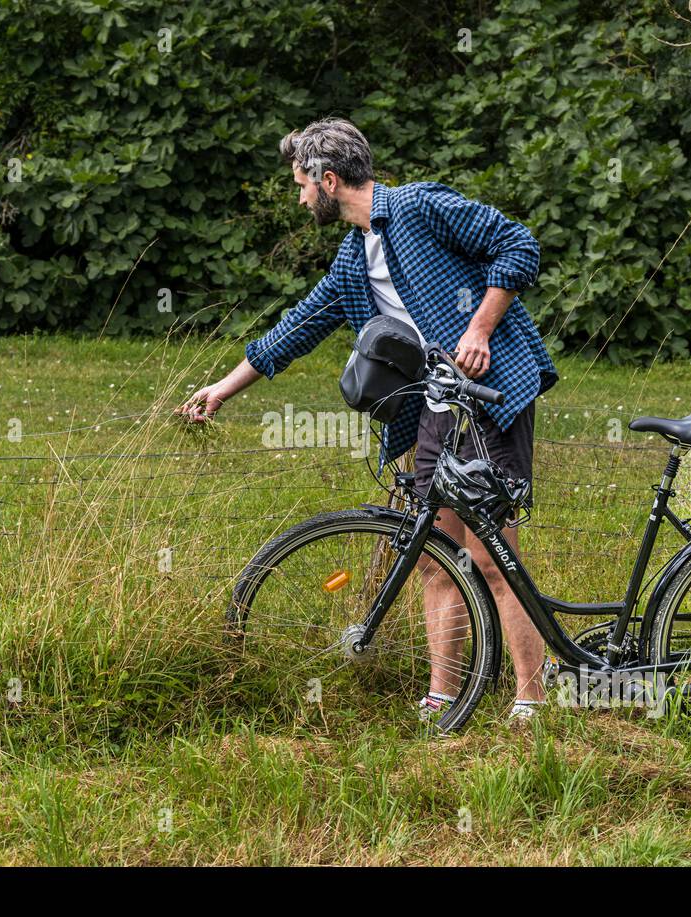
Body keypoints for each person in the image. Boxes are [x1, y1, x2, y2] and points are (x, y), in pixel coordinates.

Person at [176, 117, 558, 720]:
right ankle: (444, 694)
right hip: (435, 411)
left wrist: (479, 327)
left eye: (302, 184)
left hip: (487, 398)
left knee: (493, 556)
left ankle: (532, 700)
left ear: (329, 180)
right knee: (437, 556)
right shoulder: (354, 258)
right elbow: (298, 326)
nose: (301, 198)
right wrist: (223, 389)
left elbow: (518, 246)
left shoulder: (420, 207)